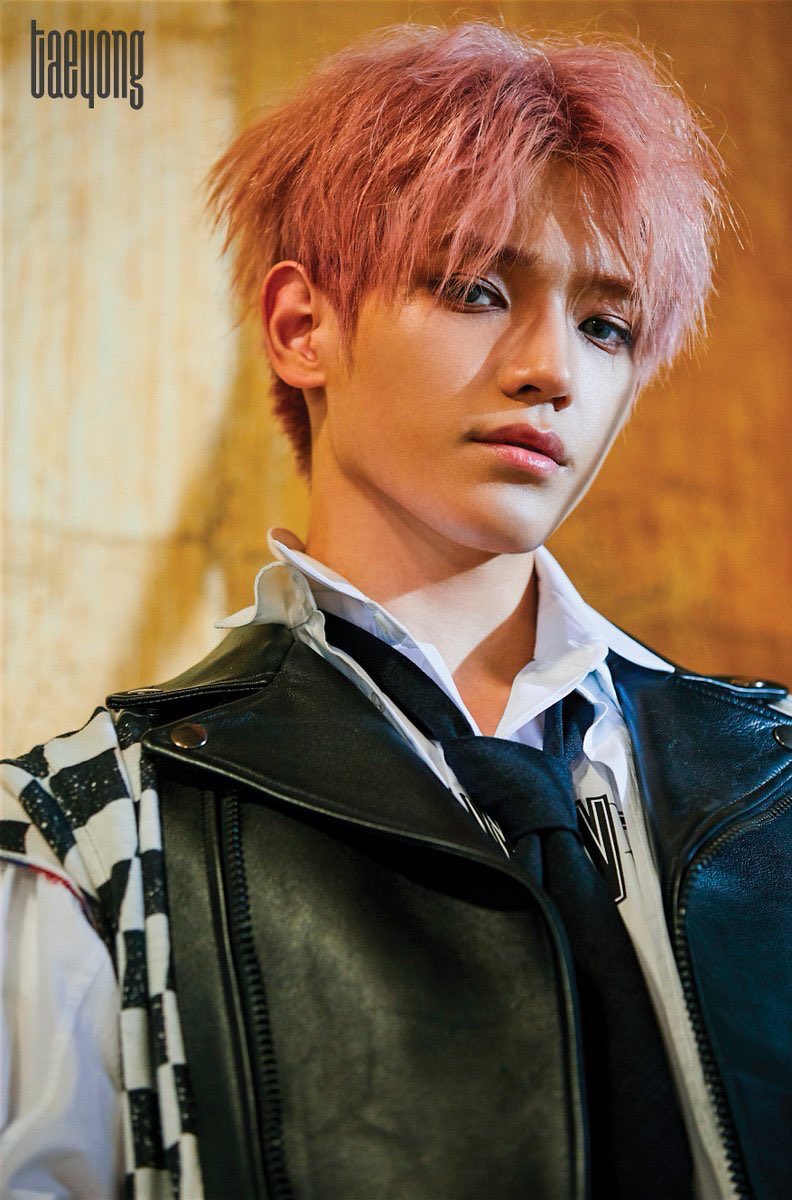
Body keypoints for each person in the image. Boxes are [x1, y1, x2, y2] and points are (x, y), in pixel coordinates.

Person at [1, 20, 790, 1200]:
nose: (553, 369)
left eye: (606, 324)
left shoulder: (773, 779)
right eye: (476, 288)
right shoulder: (95, 837)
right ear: (302, 327)